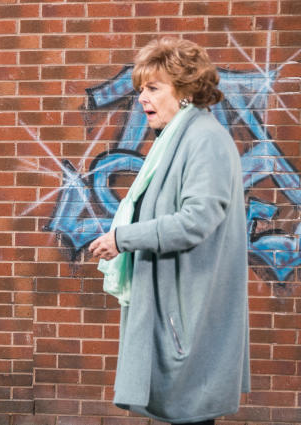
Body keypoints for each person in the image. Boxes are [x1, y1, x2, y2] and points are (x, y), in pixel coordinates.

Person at [89, 37, 249, 425]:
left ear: (185, 90)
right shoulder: (180, 138)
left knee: (191, 416)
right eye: (140, 89)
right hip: (181, 308)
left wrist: (122, 238)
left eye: (153, 88)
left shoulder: (204, 139)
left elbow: (195, 220)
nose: (141, 97)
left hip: (190, 312)